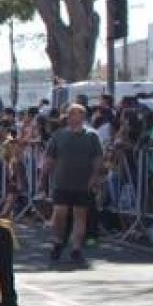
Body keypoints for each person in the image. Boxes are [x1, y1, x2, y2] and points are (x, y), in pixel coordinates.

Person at [42, 102, 104, 267]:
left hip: (82, 183)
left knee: (80, 215)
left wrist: (95, 176)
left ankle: (76, 248)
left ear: (83, 117)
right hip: (61, 182)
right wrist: (43, 177)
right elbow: (49, 159)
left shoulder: (92, 136)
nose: (73, 117)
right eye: (70, 114)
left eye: (77, 114)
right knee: (60, 213)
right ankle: (57, 241)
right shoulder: (59, 135)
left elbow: (98, 158)